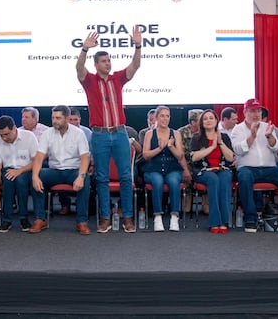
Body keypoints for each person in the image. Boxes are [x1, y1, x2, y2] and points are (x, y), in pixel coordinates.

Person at [76, 28, 141, 233]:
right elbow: (78, 68)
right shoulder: (89, 81)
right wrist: (85, 49)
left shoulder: (118, 79)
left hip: (120, 133)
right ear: (96, 65)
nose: (108, 63)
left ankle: (128, 217)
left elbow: (135, 65)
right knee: (102, 177)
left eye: (109, 60)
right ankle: (104, 217)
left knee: (125, 177)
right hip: (100, 135)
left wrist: (137, 46)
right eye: (104, 61)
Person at [231, 98, 278, 233]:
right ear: (245, 112)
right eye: (252, 111)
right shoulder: (237, 129)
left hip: (269, 168)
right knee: (244, 178)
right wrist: (252, 136)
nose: (256, 114)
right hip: (248, 168)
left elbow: (277, 148)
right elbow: (238, 150)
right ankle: (250, 218)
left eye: (258, 111)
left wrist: (269, 137)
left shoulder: (267, 127)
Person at [28, 105, 91, 235]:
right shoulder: (47, 133)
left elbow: (85, 157)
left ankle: (82, 221)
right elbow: (39, 156)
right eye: (53, 118)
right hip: (54, 171)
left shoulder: (78, 133)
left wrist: (81, 176)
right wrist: (34, 176)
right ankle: (40, 219)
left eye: (58, 118)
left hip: (73, 171)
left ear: (67, 119)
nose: (54, 121)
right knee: (36, 176)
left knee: (85, 179)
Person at [142, 106, 191, 232]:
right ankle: (157, 216)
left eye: (167, 116)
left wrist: (170, 146)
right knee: (157, 181)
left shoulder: (175, 134)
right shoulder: (149, 134)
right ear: (157, 118)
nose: (165, 118)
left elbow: (180, 156)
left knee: (174, 181)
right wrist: (159, 148)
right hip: (153, 167)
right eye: (162, 116)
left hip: (172, 167)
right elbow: (145, 155)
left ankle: (174, 216)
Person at [0, 115, 38, 233]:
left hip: (26, 169)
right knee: (8, 180)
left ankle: (24, 218)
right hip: (8, 169)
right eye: (1, 135)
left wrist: (20, 171)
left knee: (20, 180)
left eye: (7, 134)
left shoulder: (29, 137)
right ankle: (7, 220)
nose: (4, 138)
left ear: (14, 128)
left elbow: (37, 160)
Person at [191, 109, 234, 233]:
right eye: (205, 119)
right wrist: (211, 148)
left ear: (216, 121)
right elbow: (194, 157)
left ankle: (224, 221)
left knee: (225, 177)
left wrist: (220, 143)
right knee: (213, 179)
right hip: (203, 171)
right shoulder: (197, 138)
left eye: (211, 118)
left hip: (222, 169)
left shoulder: (224, 137)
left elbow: (230, 158)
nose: (208, 121)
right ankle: (215, 221)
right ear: (201, 122)